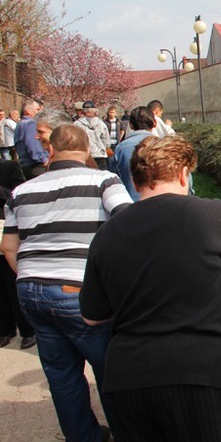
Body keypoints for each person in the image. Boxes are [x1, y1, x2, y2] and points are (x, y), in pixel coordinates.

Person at [80, 135, 221, 441]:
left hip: (127, 379)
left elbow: (92, 316)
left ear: (136, 181)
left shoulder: (107, 233)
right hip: (198, 375)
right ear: (182, 174)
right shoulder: (213, 215)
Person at [0, 124, 132, 442]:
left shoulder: (21, 191)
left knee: (61, 374)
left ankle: (83, 437)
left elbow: (7, 246)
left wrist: (33, 278)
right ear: (87, 150)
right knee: (112, 370)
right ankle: (128, 432)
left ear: (51, 151)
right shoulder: (103, 180)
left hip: (31, 291)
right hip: (80, 290)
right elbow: (130, 224)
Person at [0, 159, 34, 349]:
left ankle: (27, 330)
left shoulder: (8, 167)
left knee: (11, 281)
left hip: (6, 229)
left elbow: (19, 196)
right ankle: (5, 329)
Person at [115, 106, 157, 201]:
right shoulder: (164, 145)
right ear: (155, 123)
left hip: (129, 204)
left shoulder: (121, 148)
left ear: (130, 125)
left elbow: (114, 180)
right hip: (162, 205)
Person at [14, 99, 48, 179]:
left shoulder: (20, 124)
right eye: (38, 109)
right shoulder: (31, 124)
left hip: (25, 165)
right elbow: (33, 146)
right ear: (29, 111)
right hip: (35, 166)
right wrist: (44, 160)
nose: (40, 112)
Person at [75, 101, 111, 170]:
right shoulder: (102, 124)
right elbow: (107, 143)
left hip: (85, 157)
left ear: (83, 111)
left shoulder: (77, 125)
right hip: (101, 156)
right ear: (94, 111)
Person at [105, 105, 124, 172]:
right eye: (110, 112)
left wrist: (120, 138)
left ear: (116, 113)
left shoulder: (119, 122)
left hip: (116, 142)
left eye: (113, 112)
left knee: (117, 158)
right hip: (109, 143)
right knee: (110, 159)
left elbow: (122, 130)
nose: (112, 114)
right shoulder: (105, 122)